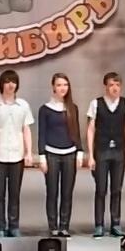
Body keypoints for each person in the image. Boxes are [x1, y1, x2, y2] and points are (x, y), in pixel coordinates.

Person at [0, 69, 34, 237]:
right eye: (7, 81)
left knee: (15, 194)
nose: (11, 85)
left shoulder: (23, 105)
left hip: (17, 155)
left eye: (13, 82)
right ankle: (0, 227)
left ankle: (14, 226)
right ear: (2, 84)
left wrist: (29, 152)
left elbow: (26, 129)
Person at [87, 72, 125, 238]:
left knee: (117, 189)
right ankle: (99, 225)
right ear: (105, 87)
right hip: (101, 151)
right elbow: (91, 130)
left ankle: (115, 223)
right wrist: (90, 155)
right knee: (101, 189)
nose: (115, 88)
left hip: (119, 151)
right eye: (111, 85)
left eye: (117, 85)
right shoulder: (96, 104)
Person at [38, 73, 83, 237]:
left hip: (70, 154)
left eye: (65, 85)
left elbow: (76, 131)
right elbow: (42, 134)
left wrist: (80, 151)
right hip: (51, 154)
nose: (62, 88)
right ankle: (53, 226)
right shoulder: (45, 109)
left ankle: (64, 225)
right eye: (59, 85)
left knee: (67, 192)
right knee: (52, 191)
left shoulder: (72, 108)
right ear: (53, 87)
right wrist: (41, 156)